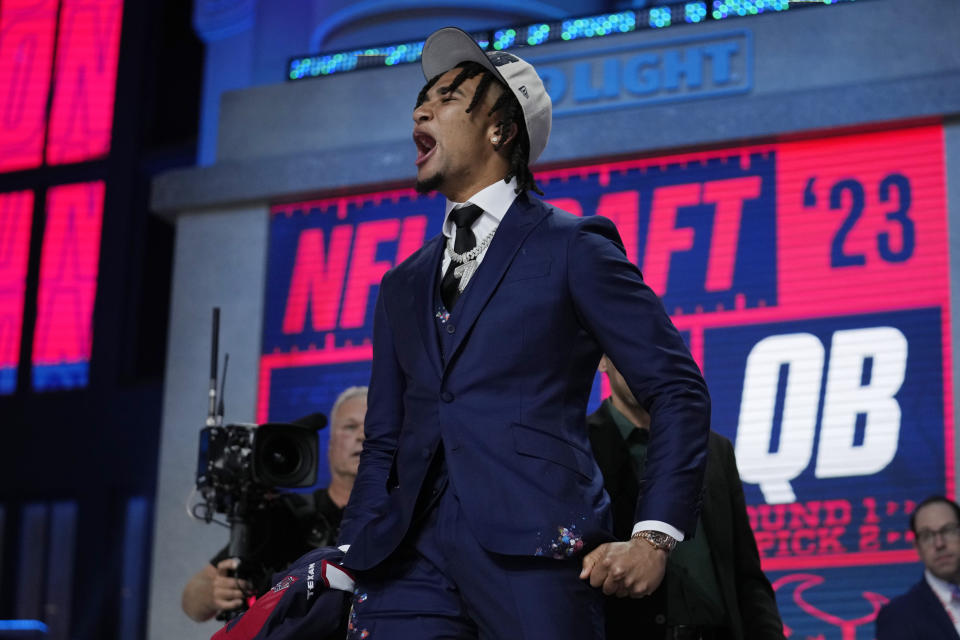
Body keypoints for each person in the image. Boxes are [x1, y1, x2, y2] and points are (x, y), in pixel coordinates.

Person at [338, 26, 710, 639]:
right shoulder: (401, 283)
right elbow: (385, 440)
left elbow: (677, 388)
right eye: (421, 99)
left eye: (449, 97)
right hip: (406, 563)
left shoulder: (575, 248)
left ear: (500, 130)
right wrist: (352, 556)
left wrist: (655, 537)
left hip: (536, 549)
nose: (421, 108)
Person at [589, 355, 784, 640]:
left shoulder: (714, 449)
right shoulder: (580, 448)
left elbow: (746, 575)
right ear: (603, 360)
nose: (643, 364)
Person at [181, 386, 367, 623]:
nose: (362, 435)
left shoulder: (403, 519)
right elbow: (191, 602)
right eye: (350, 427)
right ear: (329, 446)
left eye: (372, 427)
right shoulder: (286, 516)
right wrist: (213, 592)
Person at [875, 495, 960, 640]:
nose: (939, 544)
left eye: (948, 530)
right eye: (927, 536)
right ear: (917, 548)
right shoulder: (898, 616)